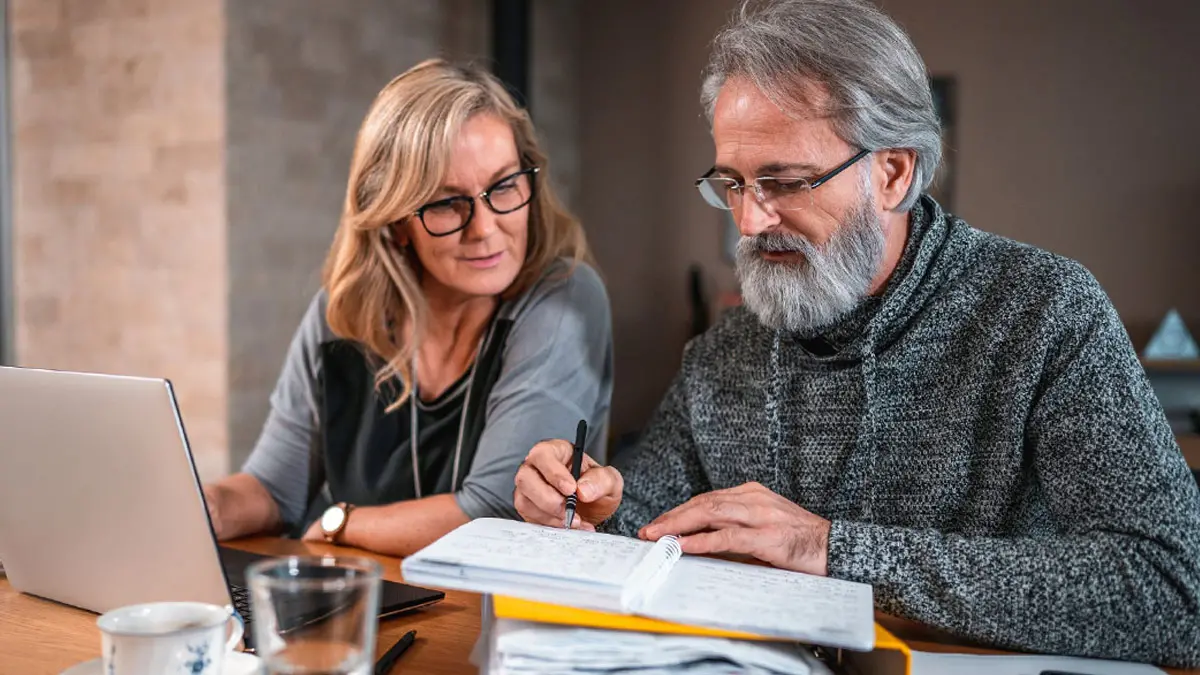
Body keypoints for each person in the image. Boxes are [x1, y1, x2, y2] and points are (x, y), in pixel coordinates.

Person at [513, 0, 1200, 667]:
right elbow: (650, 515)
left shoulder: (1046, 312)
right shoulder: (727, 349)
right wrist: (591, 508)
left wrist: (829, 549)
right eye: (733, 183)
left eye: (785, 182)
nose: (749, 224)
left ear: (893, 172)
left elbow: (1175, 588)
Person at [204, 59, 613, 557]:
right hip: (363, 603)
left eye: (503, 186)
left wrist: (339, 522)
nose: (484, 228)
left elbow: (495, 511)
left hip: (489, 614)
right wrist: (203, 506)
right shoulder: (341, 313)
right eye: (447, 203)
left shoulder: (565, 296)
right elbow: (272, 488)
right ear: (396, 222)